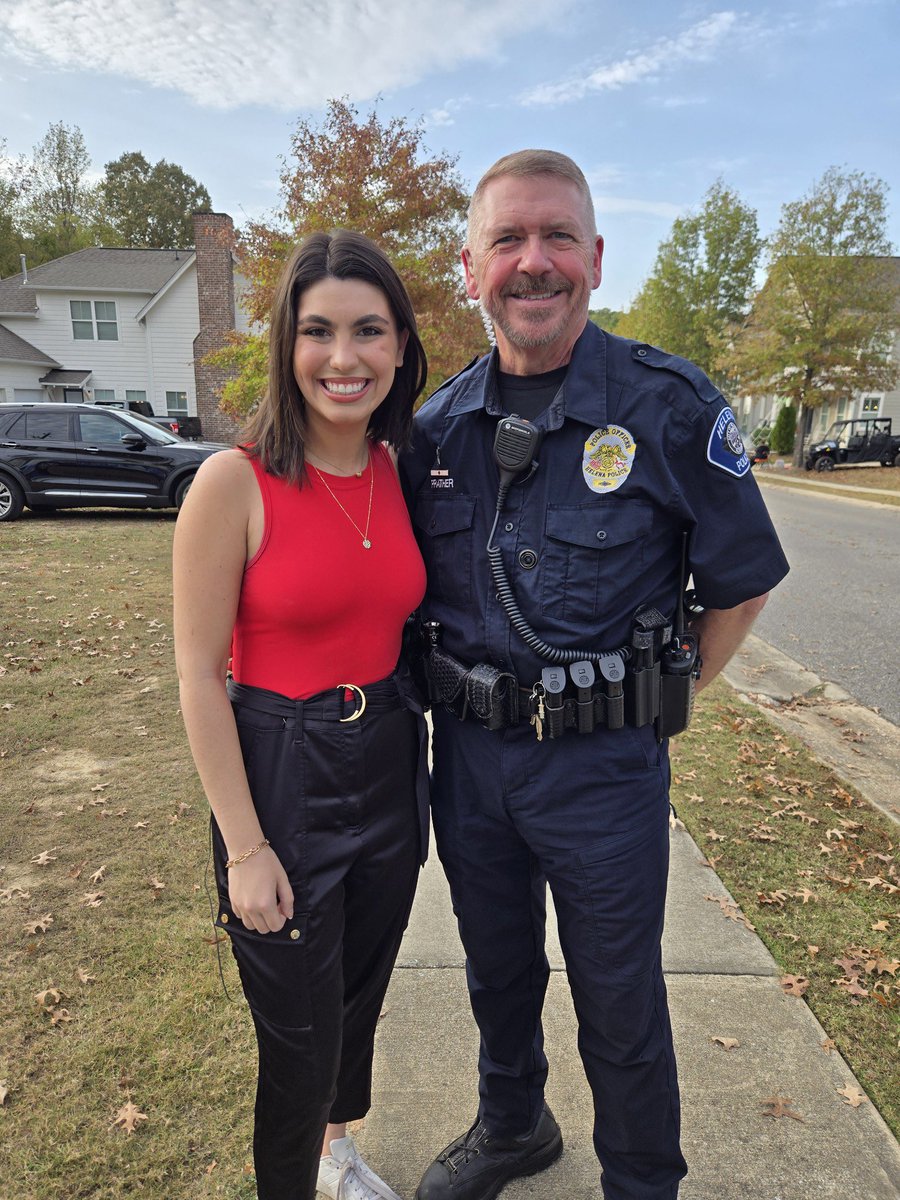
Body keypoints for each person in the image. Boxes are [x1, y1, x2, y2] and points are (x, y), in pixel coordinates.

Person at [400, 150, 789, 1200]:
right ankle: (514, 1126)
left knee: (620, 1002)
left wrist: (657, 698)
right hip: (471, 761)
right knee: (497, 972)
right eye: (508, 240)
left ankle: (641, 1181)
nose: (535, 261)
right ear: (471, 267)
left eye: (558, 237)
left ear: (597, 258)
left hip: (603, 771)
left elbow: (742, 582)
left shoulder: (668, 408)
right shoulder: (435, 429)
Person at [174, 229, 430, 1200]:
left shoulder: (401, 471)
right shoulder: (232, 483)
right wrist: (246, 848)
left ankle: (335, 1152)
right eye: (318, 330)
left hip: (391, 757)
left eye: (369, 330)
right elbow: (199, 676)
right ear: (288, 343)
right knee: (297, 1034)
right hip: (281, 770)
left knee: (358, 999)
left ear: (399, 346)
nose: (342, 356)